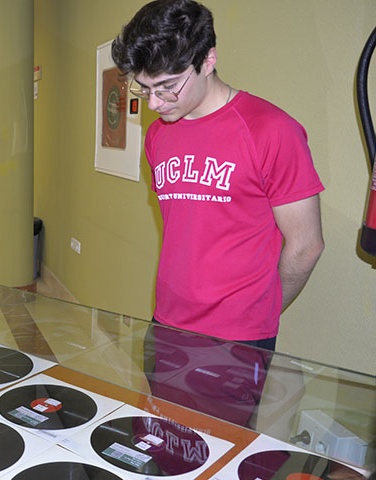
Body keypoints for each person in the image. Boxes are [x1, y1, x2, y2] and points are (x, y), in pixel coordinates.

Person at [112, 0, 325, 350]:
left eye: (167, 86)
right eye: (144, 88)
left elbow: (306, 246)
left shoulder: (272, 131)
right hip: (166, 320)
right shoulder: (157, 136)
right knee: (155, 408)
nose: (154, 103)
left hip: (237, 338)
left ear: (208, 60)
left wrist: (259, 311)